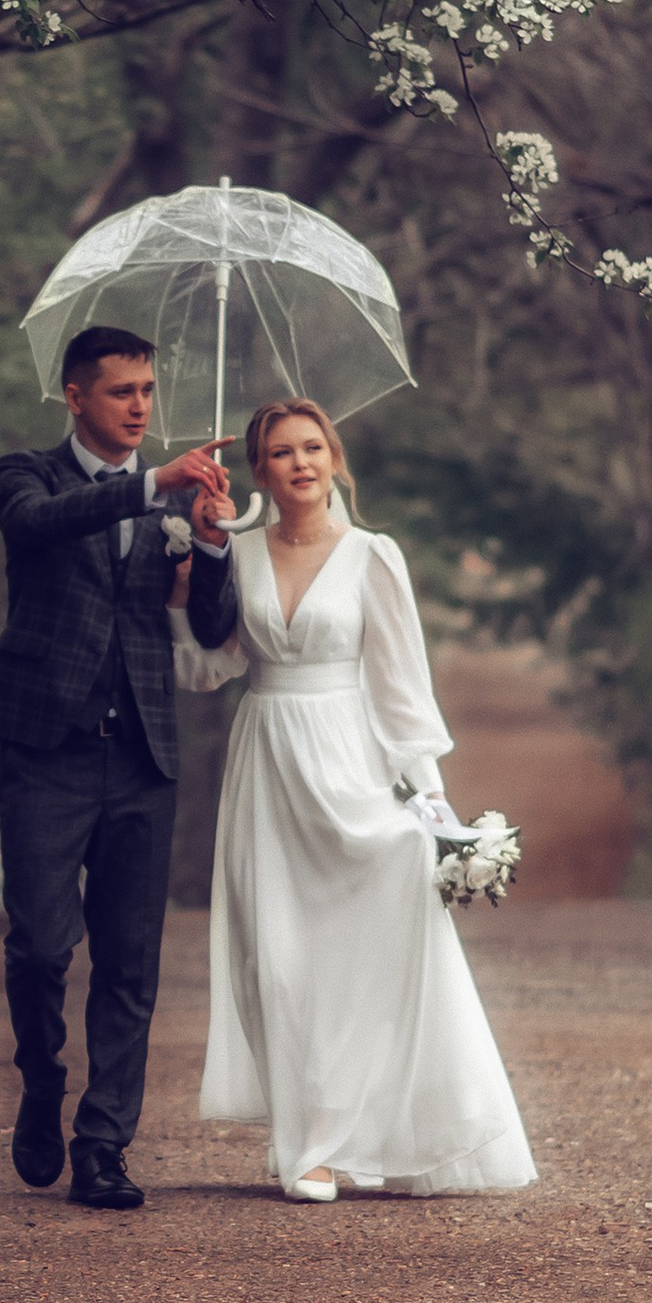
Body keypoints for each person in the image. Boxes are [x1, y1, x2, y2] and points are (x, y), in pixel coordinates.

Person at [176, 397, 535, 1204]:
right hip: (267, 760)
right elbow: (210, 663)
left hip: (350, 764)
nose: (299, 462)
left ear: (334, 459)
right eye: (280, 451)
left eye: (313, 447)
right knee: (278, 956)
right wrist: (194, 558)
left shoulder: (373, 555)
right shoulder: (236, 551)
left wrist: (435, 809)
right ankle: (304, 1143)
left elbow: (402, 690)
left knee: (360, 943)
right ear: (259, 469)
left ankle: (375, 1128)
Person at [0, 329, 241, 1209]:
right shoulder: (26, 473)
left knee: (131, 963)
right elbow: (35, 526)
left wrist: (213, 541)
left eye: (149, 389)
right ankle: (41, 1081)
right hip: (47, 748)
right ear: (76, 397)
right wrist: (151, 486)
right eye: (121, 390)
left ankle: (105, 1144)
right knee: (42, 944)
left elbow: (210, 622)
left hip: (144, 753)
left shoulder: (174, 498)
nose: (140, 405)